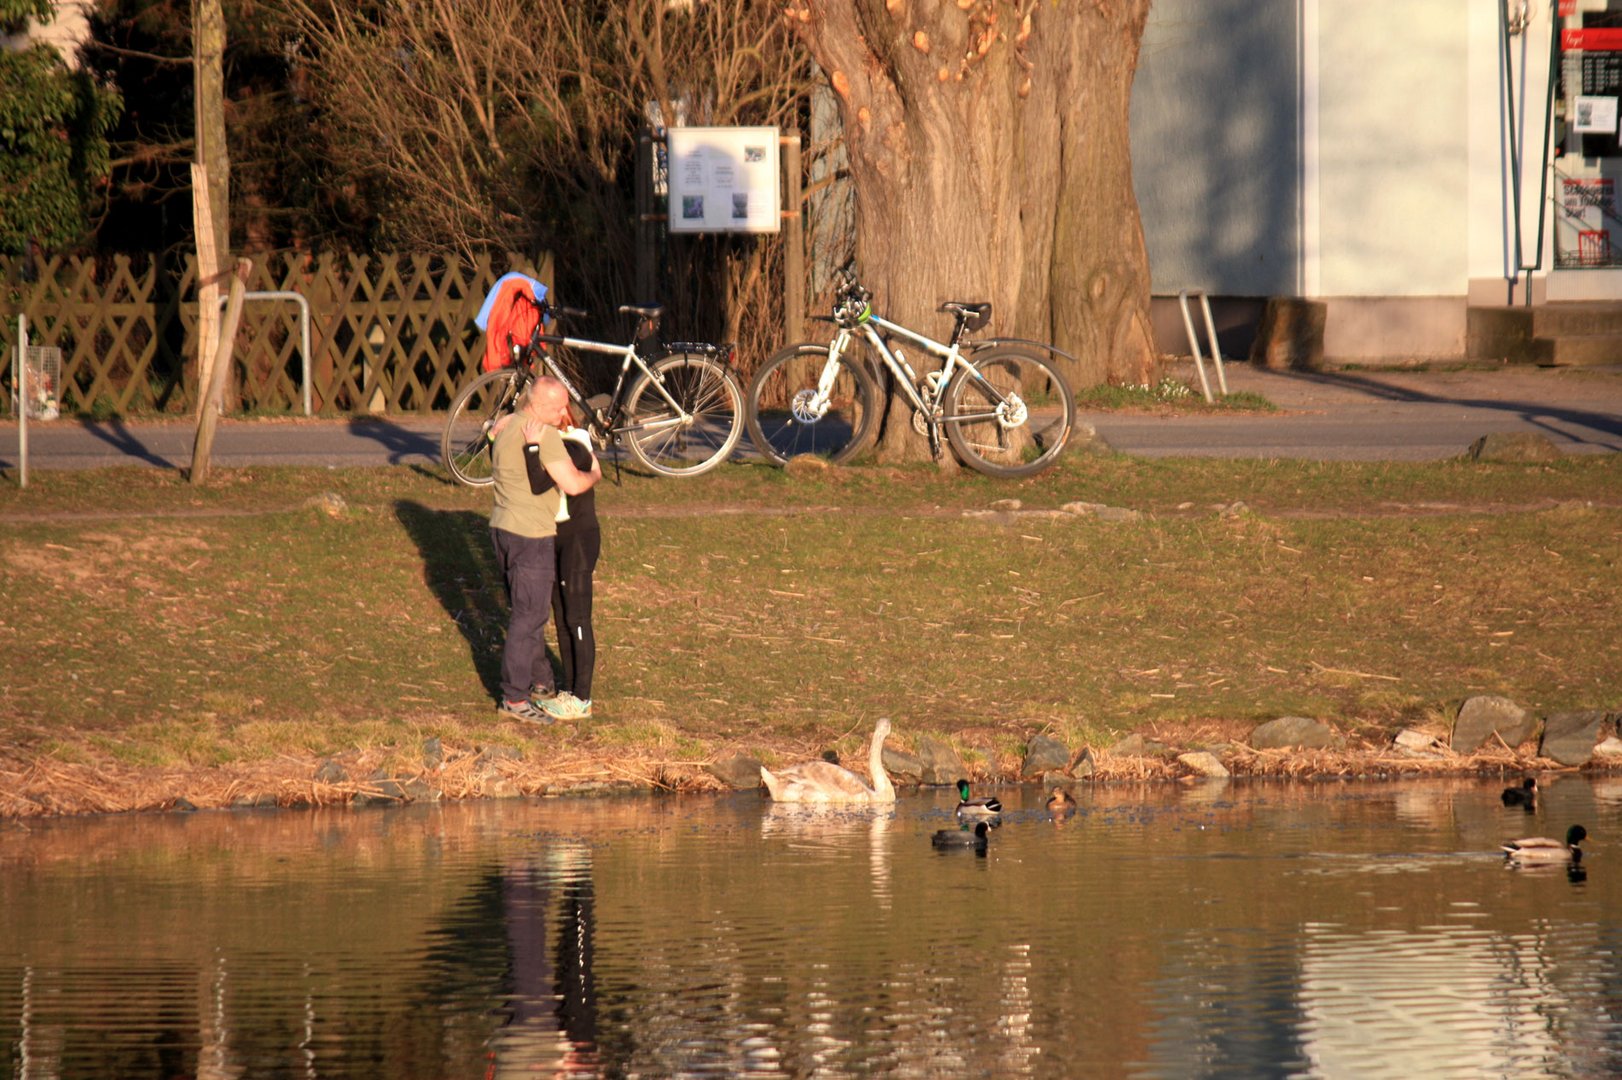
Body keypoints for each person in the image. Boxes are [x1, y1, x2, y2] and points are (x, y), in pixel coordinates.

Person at [488, 377, 600, 723]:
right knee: (529, 617)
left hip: (501, 529)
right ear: (536, 405)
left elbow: (492, 430)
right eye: (556, 407)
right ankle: (515, 699)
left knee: (528, 612)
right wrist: (595, 474)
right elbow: (571, 483)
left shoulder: (506, 428)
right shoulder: (547, 437)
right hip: (531, 535)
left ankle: (541, 683)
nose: (563, 412)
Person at [532, 415, 600, 721]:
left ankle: (582, 698)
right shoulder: (546, 443)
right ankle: (569, 691)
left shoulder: (576, 440)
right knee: (561, 618)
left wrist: (534, 448)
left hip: (578, 539)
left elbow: (545, 478)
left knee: (577, 616)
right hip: (554, 536)